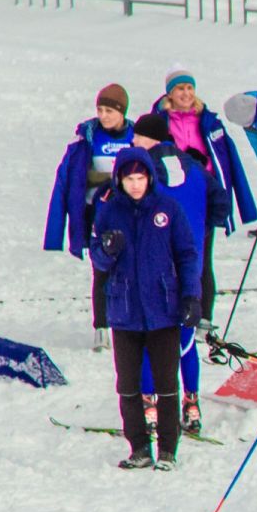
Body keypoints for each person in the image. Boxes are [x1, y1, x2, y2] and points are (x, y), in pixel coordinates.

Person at [88, 147, 200, 470]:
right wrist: (107, 250)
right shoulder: (108, 211)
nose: (135, 185)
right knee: (128, 385)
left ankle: (167, 449)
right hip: (125, 311)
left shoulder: (168, 208)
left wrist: (192, 297)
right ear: (119, 180)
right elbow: (97, 259)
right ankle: (138, 447)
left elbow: (187, 255)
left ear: (150, 177)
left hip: (164, 309)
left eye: (141, 177)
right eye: (129, 179)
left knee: (167, 383)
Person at [129, 113, 228, 436]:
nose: (133, 144)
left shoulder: (144, 171)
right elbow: (221, 205)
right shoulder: (194, 166)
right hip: (191, 268)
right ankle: (192, 402)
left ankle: (150, 406)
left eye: (137, 138)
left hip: (153, 269)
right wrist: (198, 234)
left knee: (147, 339)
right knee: (186, 342)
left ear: (150, 140)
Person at [44, 84, 134, 345]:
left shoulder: (135, 136)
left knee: (131, 269)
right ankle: (101, 328)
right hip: (98, 215)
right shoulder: (87, 139)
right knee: (101, 270)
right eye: (100, 110)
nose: (104, 116)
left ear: (122, 112)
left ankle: (128, 323)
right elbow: (66, 181)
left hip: (130, 215)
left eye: (110, 110)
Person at [144, 66, 257, 237]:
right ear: (169, 93)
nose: (186, 93)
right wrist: (184, 159)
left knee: (202, 252)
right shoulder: (158, 121)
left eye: (190, 88)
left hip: (203, 191)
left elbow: (229, 161)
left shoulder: (209, 122)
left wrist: (241, 204)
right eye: (180, 88)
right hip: (172, 194)